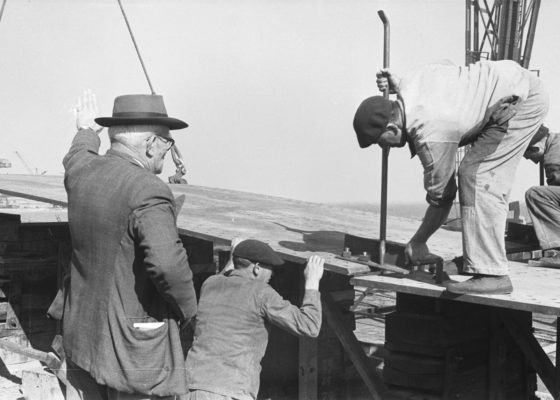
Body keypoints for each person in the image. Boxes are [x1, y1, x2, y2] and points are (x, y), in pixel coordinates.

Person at [352, 59, 549, 294]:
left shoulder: (430, 134)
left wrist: (418, 241)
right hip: (510, 83)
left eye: (379, 142)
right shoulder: (410, 81)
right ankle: (477, 259)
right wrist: (399, 85)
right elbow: (445, 66)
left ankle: (493, 274)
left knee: (478, 175)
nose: (383, 148)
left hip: (522, 101)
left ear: (392, 129)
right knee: (476, 173)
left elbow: (442, 197)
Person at [63, 90, 197, 400]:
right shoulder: (149, 190)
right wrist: (191, 313)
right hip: (131, 355)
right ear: (151, 144)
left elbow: (77, 154)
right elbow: (168, 267)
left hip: (81, 337)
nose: (168, 151)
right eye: (168, 142)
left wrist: (86, 130)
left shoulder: (82, 171)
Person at [184, 239, 324, 400]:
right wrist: (312, 281)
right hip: (229, 391)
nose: (272, 274)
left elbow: (227, 272)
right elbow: (310, 326)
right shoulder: (262, 292)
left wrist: (234, 256)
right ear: (257, 268)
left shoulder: (210, 284)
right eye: (270, 269)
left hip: (190, 387)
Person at [524, 126, 560, 261]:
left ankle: (557, 247)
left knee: (535, 194)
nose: (527, 158)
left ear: (535, 147)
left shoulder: (553, 157)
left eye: (525, 153)